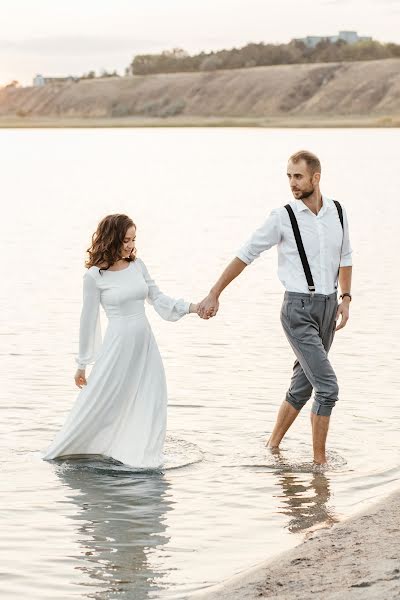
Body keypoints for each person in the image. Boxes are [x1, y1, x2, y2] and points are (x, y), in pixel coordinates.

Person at [197, 150, 352, 465]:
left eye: (298, 176)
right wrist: (215, 293)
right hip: (297, 311)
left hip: (328, 308)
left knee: (303, 386)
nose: (292, 183)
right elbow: (246, 253)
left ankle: (272, 446)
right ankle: (320, 464)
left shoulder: (337, 211)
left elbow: (345, 257)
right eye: (289, 176)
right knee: (327, 386)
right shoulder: (283, 216)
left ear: (315, 177)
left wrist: (346, 299)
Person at [43, 214, 199, 469]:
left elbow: (159, 300)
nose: (130, 245)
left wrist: (193, 307)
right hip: (117, 348)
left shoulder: (138, 266)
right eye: (125, 239)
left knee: (151, 397)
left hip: (145, 346)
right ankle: (78, 449)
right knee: (101, 400)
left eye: (133, 239)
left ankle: (140, 453)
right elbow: (88, 320)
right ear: (111, 238)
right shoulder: (95, 276)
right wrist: (82, 364)